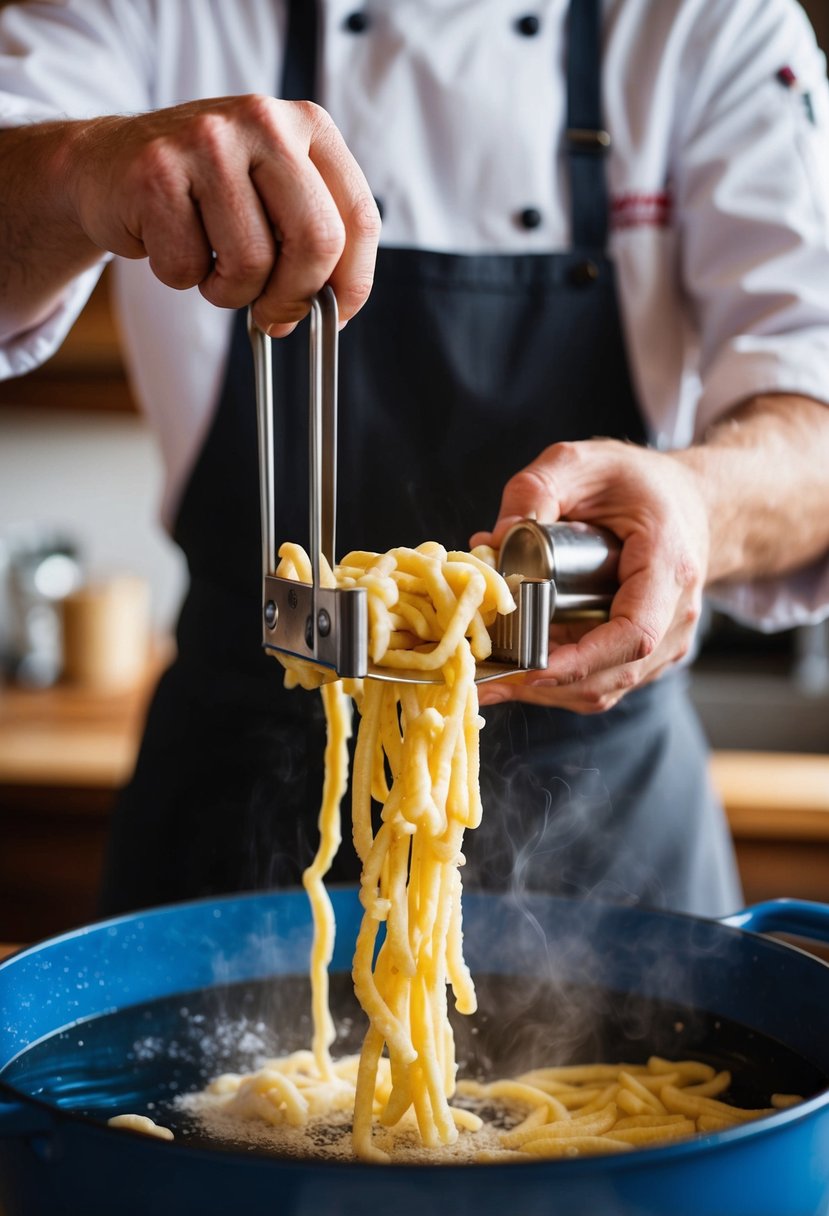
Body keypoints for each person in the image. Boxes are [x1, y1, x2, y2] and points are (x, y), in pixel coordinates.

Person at [1, 0, 828, 919]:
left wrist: (698, 506)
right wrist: (79, 166)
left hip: (601, 809)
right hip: (237, 777)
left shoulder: (713, 22)